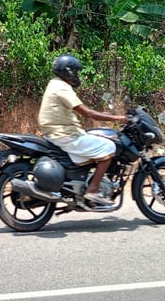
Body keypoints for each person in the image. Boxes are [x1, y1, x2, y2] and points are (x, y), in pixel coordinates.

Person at [37, 54, 125, 206]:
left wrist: (106, 115)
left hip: (59, 133)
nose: (77, 75)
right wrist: (118, 118)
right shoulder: (62, 88)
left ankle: (84, 183)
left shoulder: (55, 84)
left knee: (93, 141)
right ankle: (92, 190)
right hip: (64, 135)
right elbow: (87, 113)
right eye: (76, 72)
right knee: (109, 146)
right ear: (68, 72)